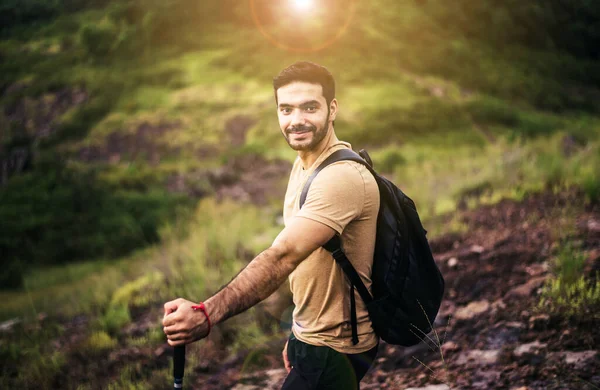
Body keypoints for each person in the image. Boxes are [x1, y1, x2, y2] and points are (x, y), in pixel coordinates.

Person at [162, 61, 380, 389]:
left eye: (309, 107)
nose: (296, 120)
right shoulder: (305, 163)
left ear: (332, 109)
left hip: (335, 350)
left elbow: (284, 257)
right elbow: (312, 266)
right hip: (314, 340)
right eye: (286, 109)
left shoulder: (341, 177)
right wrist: (299, 332)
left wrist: (208, 313)